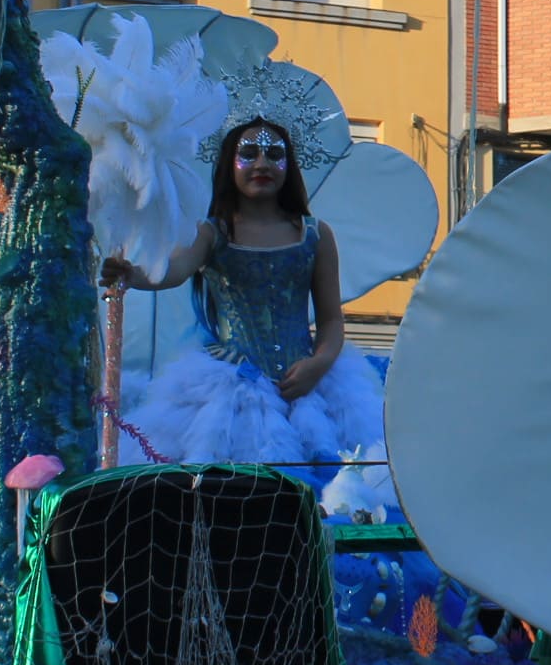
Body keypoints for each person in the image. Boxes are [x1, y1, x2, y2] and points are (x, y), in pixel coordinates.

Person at [103, 118, 383, 464]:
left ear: (289, 165)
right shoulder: (212, 232)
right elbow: (174, 271)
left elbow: (330, 321)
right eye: (248, 154)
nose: (262, 164)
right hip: (230, 393)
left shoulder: (315, 235)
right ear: (228, 164)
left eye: (274, 155)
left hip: (310, 387)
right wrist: (133, 274)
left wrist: (318, 364)